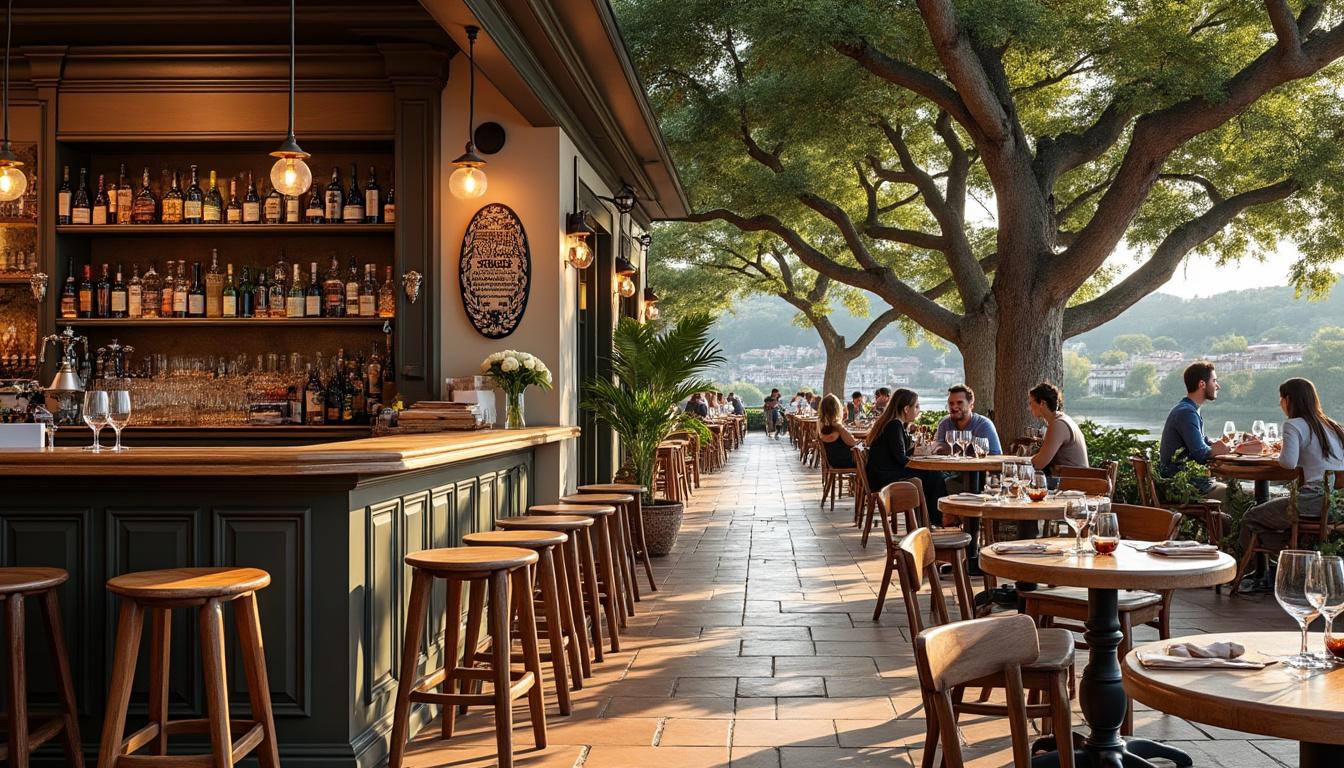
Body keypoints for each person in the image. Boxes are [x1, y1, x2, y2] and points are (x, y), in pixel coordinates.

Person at [1236, 378, 1344, 560]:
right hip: (1338, 504)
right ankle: (1293, 551)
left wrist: (1275, 451)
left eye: (1281, 399)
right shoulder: (1332, 426)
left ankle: (1283, 559)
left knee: (1251, 517)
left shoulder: (1293, 424)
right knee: (1285, 523)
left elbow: (1288, 463)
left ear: (1288, 400)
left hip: (1314, 500)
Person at [864, 387, 948, 518]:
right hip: (884, 477)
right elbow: (901, 459)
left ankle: (930, 518)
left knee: (931, 474)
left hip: (880, 474)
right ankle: (938, 517)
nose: (919, 410)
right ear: (906, 409)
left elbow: (896, 453)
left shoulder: (892, 423)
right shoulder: (894, 425)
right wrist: (923, 459)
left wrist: (918, 450)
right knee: (934, 475)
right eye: (916, 406)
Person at [1159, 361, 1232, 501]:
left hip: (1181, 482)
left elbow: (1201, 441)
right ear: (1202, 384)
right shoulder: (1187, 413)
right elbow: (1200, 452)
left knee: (1229, 487)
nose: (1218, 386)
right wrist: (1215, 449)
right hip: (1182, 486)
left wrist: (1215, 444)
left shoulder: (1187, 409)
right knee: (1237, 494)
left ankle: (1221, 522)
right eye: (1214, 380)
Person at [1027, 382, 1088, 475]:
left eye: (1031, 403)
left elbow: (1039, 463)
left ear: (1042, 403)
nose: (1029, 408)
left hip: (1073, 483)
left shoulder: (1058, 425)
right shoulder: (1061, 419)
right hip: (1073, 479)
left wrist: (1017, 464)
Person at [933, 384, 1002, 456]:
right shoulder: (944, 424)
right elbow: (937, 450)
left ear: (971, 405)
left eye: (959, 402)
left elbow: (995, 457)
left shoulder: (983, 425)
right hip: (949, 467)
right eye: (951, 403)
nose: (954, 407)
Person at [818, 394, 858, 468]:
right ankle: (864, 479)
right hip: (844, 461)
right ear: (838, 409)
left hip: (830, 461)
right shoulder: (836, 426)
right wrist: (840, 426)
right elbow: (852, 442)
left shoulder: (821, 424)